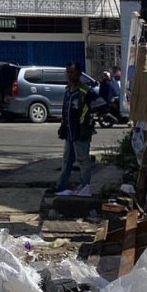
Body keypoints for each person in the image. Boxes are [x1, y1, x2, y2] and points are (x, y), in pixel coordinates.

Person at [55, 61, 106, 197]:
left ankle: (85, 187)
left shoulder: (85, 91)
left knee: (83, 161)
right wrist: (62, 126)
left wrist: (90, 118)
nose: (69, 75)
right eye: (68, 72)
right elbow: (65, 111)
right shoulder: (68, 90)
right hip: (69, 133)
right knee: (66, 161)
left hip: (81, 132)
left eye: (72, 72)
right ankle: (61, 187)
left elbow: (101, 105)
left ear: (78, 73)